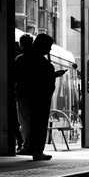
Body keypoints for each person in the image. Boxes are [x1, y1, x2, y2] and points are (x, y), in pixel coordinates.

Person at [21, 33, 64, 161]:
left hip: (25, 97)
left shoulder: (22, 59)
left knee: (29, 125)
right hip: (39, 99)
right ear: (43, 46)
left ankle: (31, 148)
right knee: (38, 126)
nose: (50, 49)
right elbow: (43, 80)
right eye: (49, 46)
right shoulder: (43, 63)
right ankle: (36, 151)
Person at [14, 33, 33, 154]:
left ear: (21, 45)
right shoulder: (38, 59)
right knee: (32, 122)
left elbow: (15, 76)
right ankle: (31, 145)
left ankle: (26, 146)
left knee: (24, 122)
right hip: (36, 95)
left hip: (23, 95)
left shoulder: (20, 59)